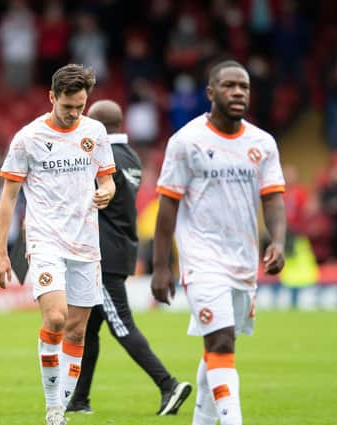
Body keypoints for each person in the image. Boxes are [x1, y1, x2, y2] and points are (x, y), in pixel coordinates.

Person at [151, 60, 286, 425]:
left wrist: (278, 241)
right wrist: (162, 266)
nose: (238, 92)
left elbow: (272, 197)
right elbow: (167, 206)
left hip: (243, 263)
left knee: (218, 346)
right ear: (211, 93)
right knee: (222, 343)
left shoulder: (262, 143)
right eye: (229, 86)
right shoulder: (186, 142)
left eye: (243, 86)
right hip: (202, 258)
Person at [0, 64, 116, 425]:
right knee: (57, 318)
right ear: (51, 97)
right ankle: (52, 408)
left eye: (80, 106)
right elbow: (9, 197)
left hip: (86, 245)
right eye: (68, 107)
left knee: (77, 330)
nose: (74, 114)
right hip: (45, 240)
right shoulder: (27, 138)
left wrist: (106, 192)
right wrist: (1, 253)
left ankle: (60, 411)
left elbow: (108, 181)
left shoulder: (95, 132)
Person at [66, 99, 192, 416]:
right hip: (120, 247)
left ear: (95, 125)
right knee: (88, 329)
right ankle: (79, 400)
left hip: (101, 256)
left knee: (121, 325)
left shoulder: (100, 156)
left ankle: (168, 385)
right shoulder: (132, 156)